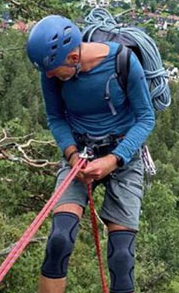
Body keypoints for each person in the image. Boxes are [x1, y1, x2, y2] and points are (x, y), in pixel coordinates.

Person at [26, 15, 154, 293]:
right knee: (59, 239)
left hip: (123, 155)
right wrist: (72, 156)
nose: (49, 76)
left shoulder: (123, 62)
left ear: (74, 57)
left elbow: (146, 118)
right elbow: (55, 117)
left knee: (122, 257)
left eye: (54, 71)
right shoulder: (51, 71)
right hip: (80, 153)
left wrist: (113, 160)